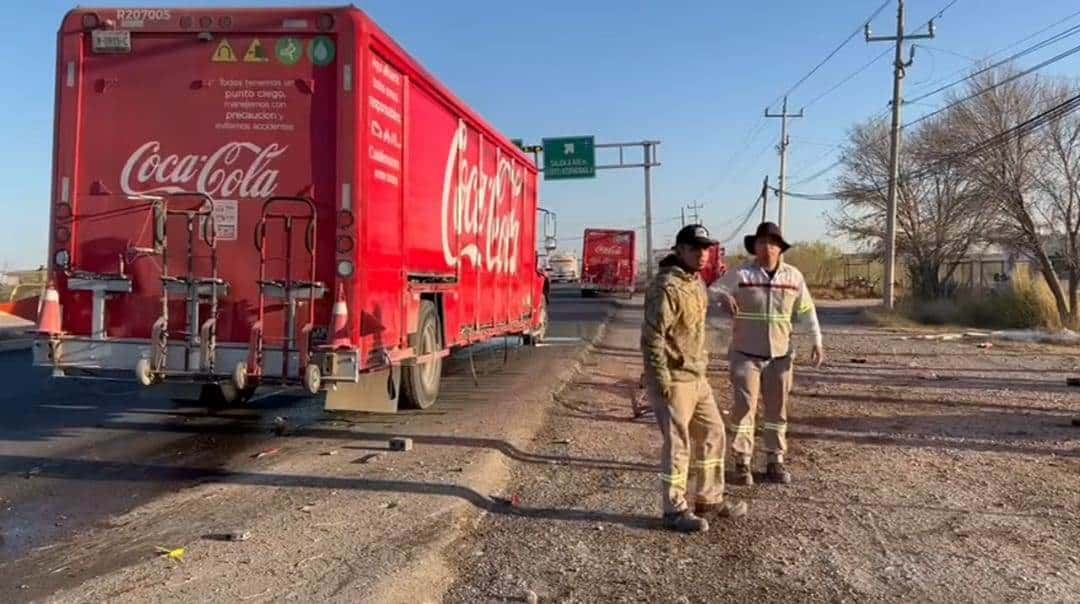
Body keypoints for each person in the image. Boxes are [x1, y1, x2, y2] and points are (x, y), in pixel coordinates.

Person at [641, 224, 748, 533]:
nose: (702, 254)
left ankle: (710, 499)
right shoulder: (666, 287)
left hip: (696, 376)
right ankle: (674, 510)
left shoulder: (696, 282)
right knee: (678, 445)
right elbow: (652, 338)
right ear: (680, 250)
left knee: (714, 432)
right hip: (673, 379)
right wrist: (660, 380)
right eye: (695, 248)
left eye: (706, 248)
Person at [711, 222, 824, 486]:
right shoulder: (741, 273)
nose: (767, 248)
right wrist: (722, 298)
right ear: (755, 247)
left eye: (772, 243)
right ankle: (742, 462)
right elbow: (712, 290)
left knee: (777, 410)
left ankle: (775, 459)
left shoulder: (793, 277)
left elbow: (807, 310)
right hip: (745, 354)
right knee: (744, 408)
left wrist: (816, 340)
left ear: (780, 248)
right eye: (761, 242)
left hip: (780, 356)